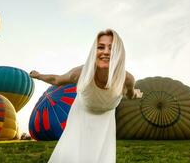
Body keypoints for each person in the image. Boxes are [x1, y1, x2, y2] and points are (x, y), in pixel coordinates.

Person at [30, 29, 142, 163]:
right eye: (100, 47)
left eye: (111, 48)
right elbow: (57, 80)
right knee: (72, 153)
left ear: (119, 54)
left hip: (105, 118)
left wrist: (136, 94)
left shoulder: (127, 79)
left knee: (99, 155)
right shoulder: (80, 73)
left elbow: (130, 95)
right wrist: (39, 76)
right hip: (81, 113)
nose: (105, 52)